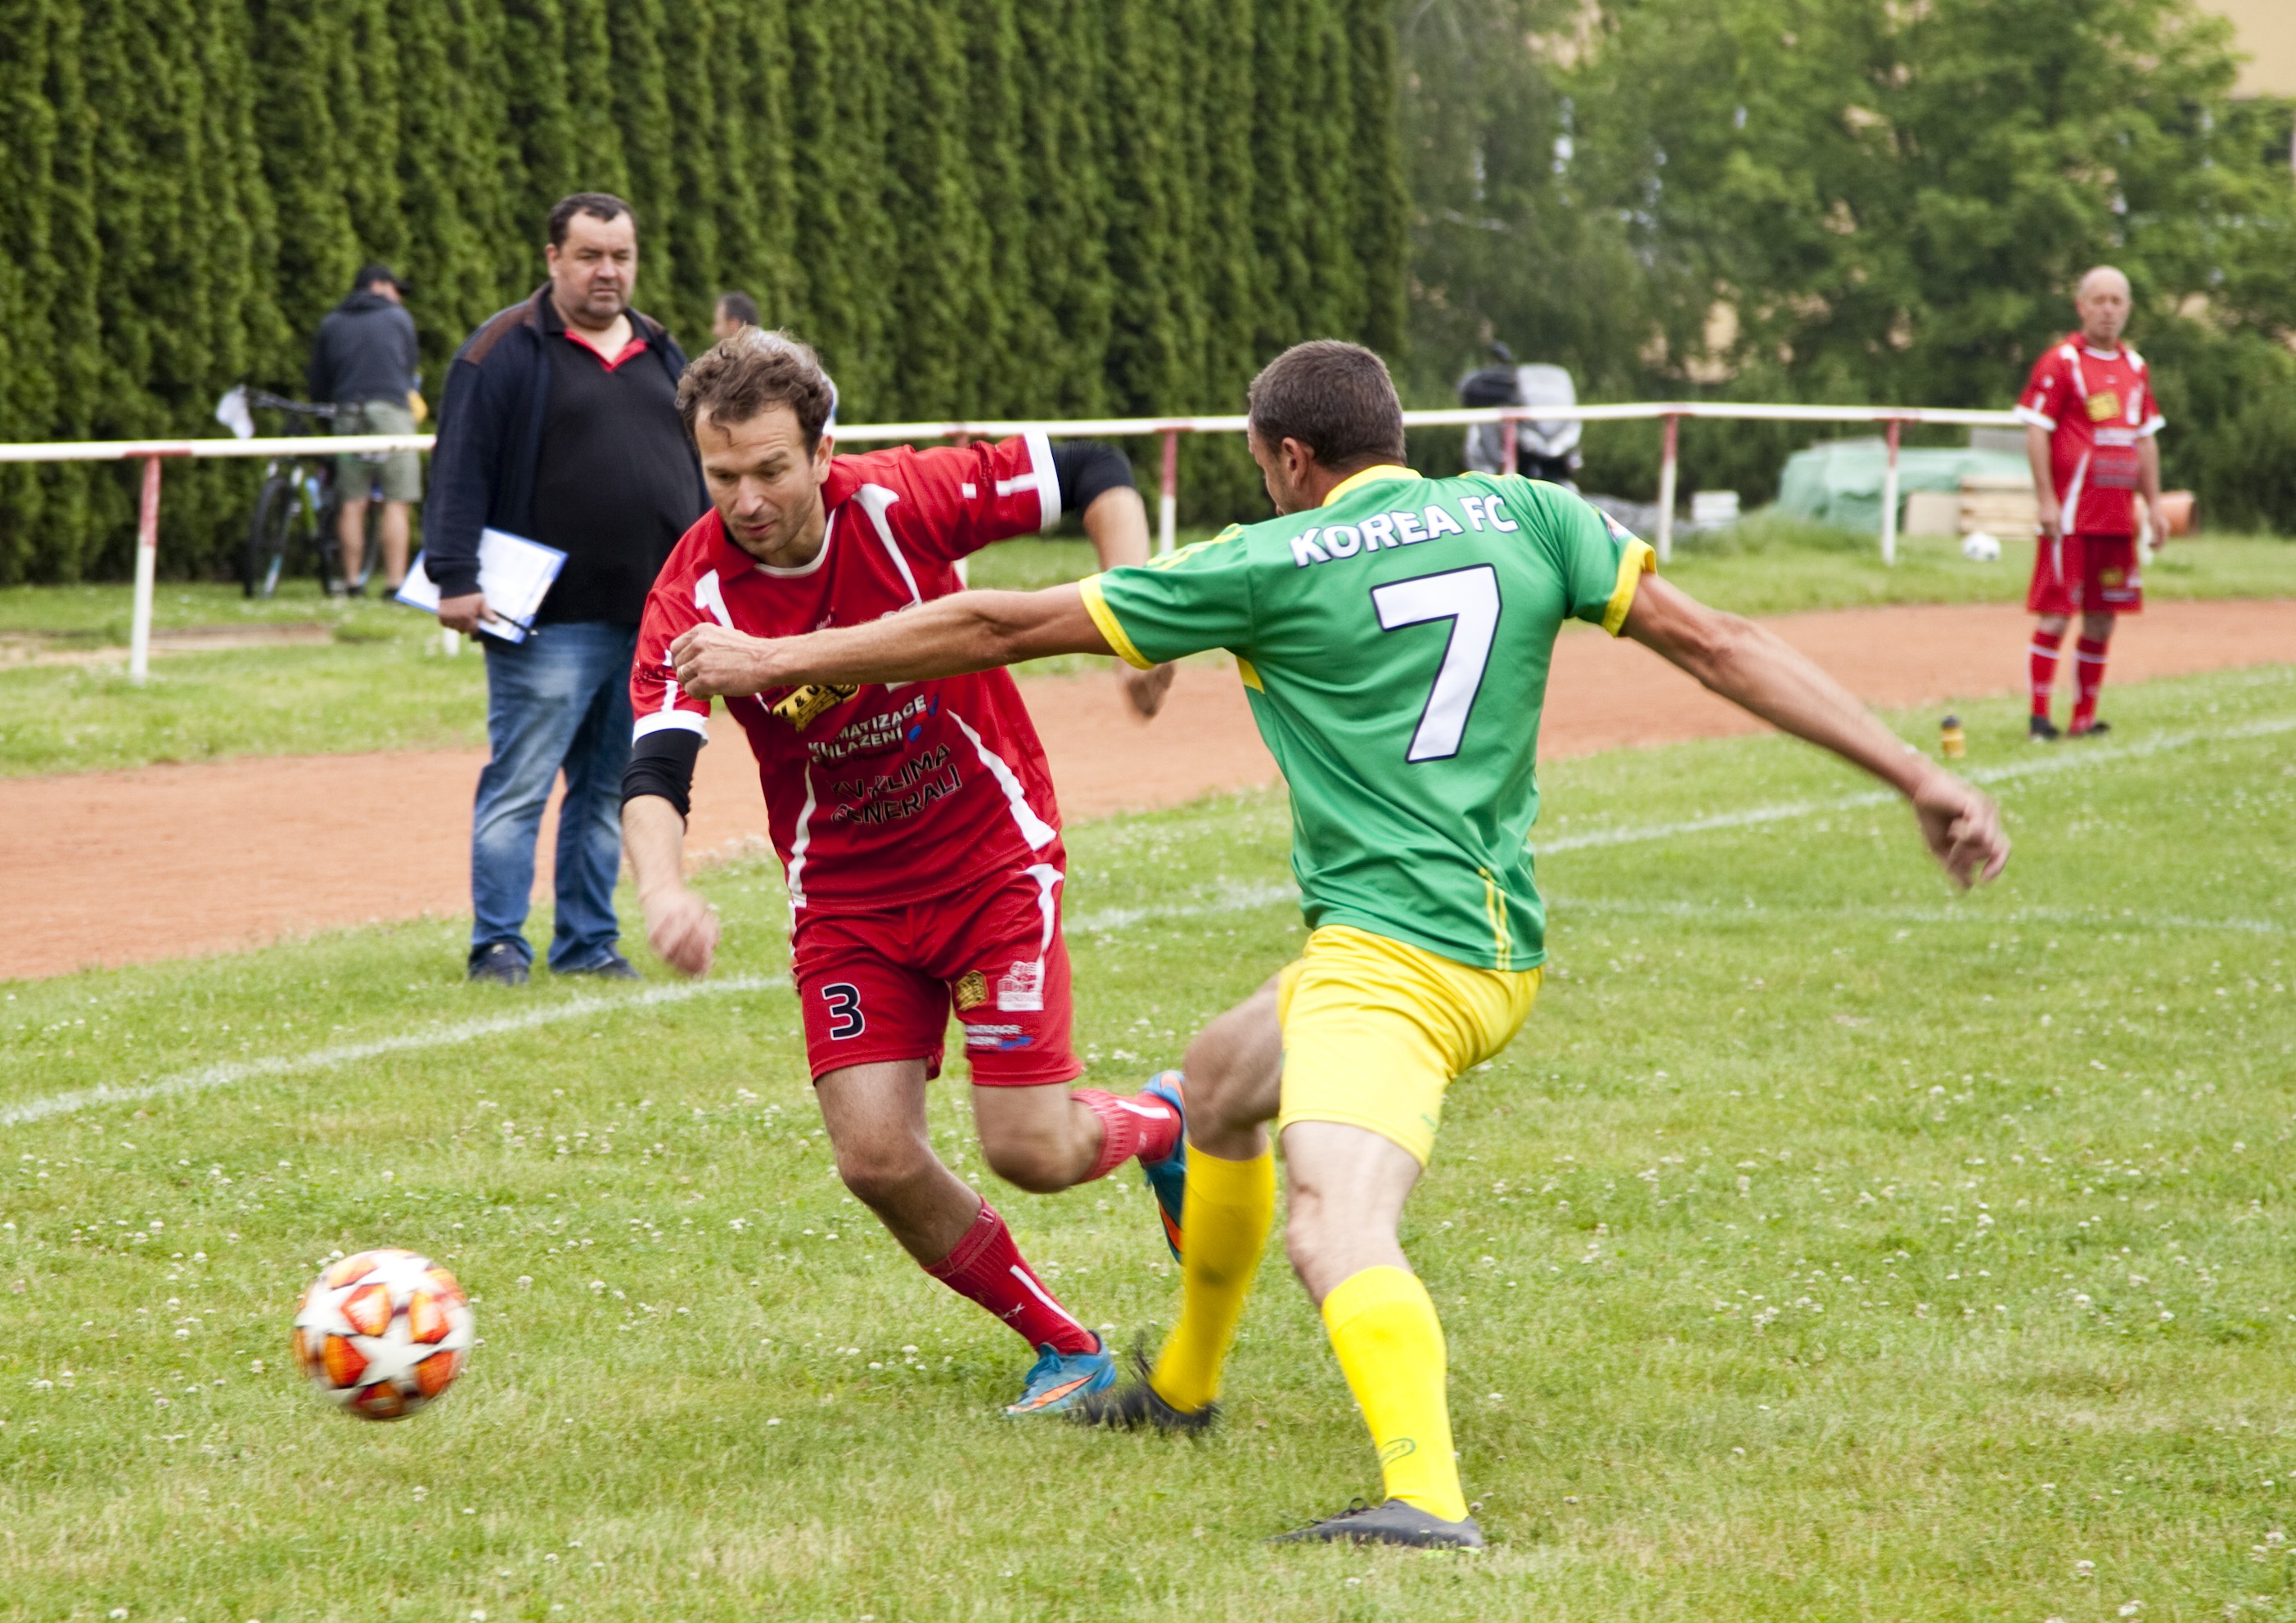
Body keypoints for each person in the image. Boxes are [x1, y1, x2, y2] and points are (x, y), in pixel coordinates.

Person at [666, 339, 2012, 1547]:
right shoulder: (1529, 512)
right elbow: (1718, 642)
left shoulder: (1266, 563)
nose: (1262, 488)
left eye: (1261, 468)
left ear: (1290, 459)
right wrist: (1915, 773)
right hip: (1464, 937)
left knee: (1336, 1223)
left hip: (1401, 967)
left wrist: (789, 657)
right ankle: (1182, 1385)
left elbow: (998, 623)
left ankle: (1425, 1496)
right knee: (1220, 1079)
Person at [619, 329, 1186, 1415]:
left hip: (988, 857)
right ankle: (1066, 1348)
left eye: (770, 471)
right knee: (874, 1157)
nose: (744, 500)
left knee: (1030, 1149)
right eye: (721, 475)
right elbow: (654, 768)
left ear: (825, 452)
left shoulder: (905, 500)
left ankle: (1166, 1125)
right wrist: (664, 888)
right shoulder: (693, 592)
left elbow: (1097, 474)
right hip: (846, 897)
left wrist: (1139, 623)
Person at [425, 193, 708, 986]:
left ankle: (587, 941)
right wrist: (453, 575)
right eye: (589, 256)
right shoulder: (503, 349)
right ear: (553, 259)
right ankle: (499, 944)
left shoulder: (660, 348)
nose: (607, 272)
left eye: (620, 255)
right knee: (519, 785)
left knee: (609, 790)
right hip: (544, 620)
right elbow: (460, 467)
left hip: (648, 618)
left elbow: (697, 467)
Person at [2013, 265, 2166, 742]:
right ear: (2081, 307)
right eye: (2098, 300)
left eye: (2116, 301)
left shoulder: (2135, 368)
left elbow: (2145, 440)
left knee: (2102, 617)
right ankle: (2040, 716)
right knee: (2058, 613)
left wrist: (2155, 506)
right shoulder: (2062, 362)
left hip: (2117, 518)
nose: (2107, 310)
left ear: (2127, 309)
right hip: (2073, 515)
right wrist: (2045, 499)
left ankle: (2084, 716)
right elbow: (2037, 429)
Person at [307, 263, 423, 593]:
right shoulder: (399, 319)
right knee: (396, 499)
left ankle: (352, 582)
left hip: (348, 415)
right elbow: (410, 369)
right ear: (378, 286)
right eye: (394, 289)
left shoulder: (332, 322)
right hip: (391, 413)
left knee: (352, 499)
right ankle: (394, 584)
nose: (398, 298)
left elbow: (318, 383)